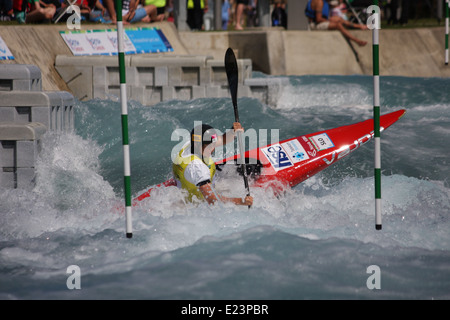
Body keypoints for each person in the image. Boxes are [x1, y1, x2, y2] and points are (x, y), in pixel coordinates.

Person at [172, 122, 253, 206]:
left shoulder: (191, 144)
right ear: (197, 144)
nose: (212, 149)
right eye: (209, 147)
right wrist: (241, 201)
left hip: (191, 184)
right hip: (197, 206)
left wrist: (233, 132)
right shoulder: (197, 168)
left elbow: (221, 140)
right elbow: (213, 201)